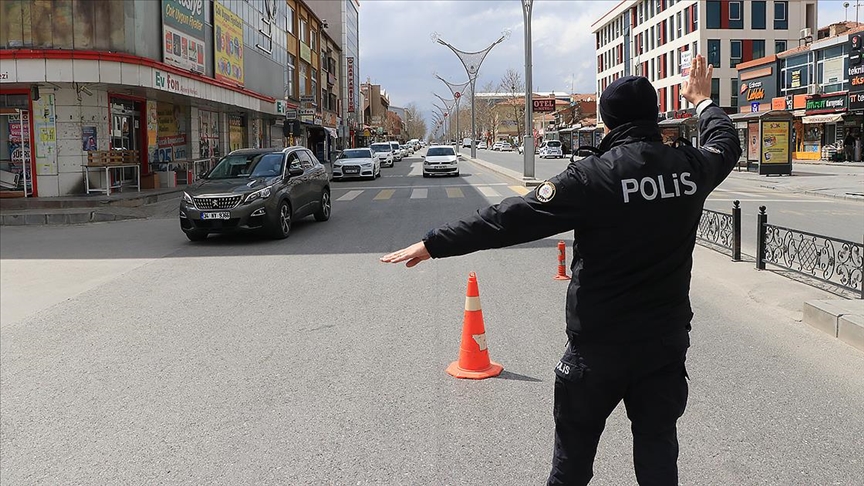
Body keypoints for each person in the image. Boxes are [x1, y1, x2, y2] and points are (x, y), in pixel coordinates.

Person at [381, 54, 740, 484]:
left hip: (598, 350)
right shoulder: (690, 169)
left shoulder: (592, 178)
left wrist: (434, 243)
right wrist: (702, 100)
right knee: (658, 454)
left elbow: (506, 219)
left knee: (572, 461)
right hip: (663, 348)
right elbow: (724, 141)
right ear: (654, 118)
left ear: (607, 124)